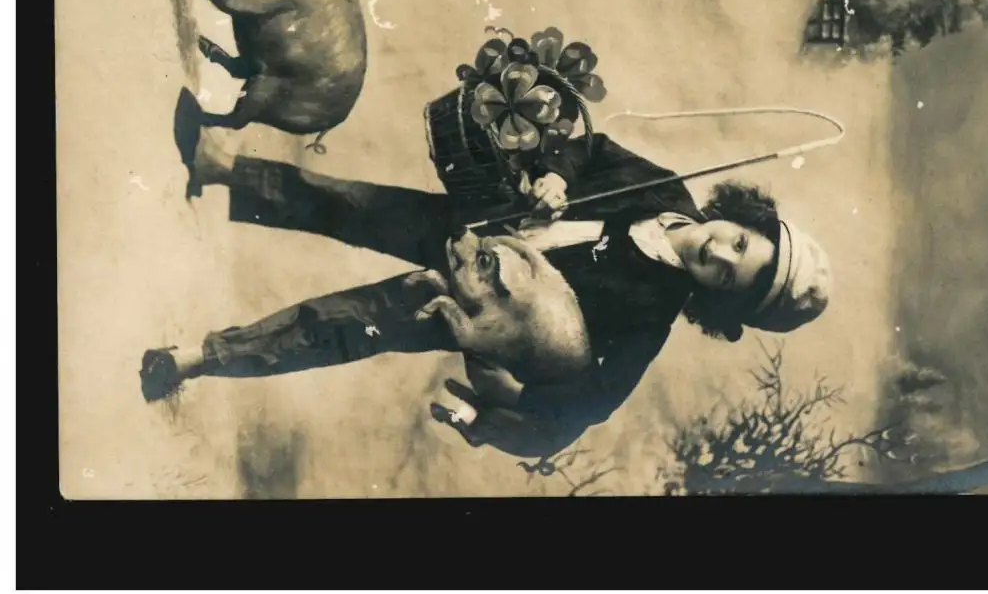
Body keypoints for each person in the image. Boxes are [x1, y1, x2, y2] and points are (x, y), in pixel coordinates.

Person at [141, 123, 833, 457]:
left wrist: (515, 399)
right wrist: (557, 174)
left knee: (344, 323)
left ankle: (197, 358)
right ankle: (220, 167)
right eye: (740, 242)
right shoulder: (665, 191)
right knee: (348, 201)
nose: (718, 252)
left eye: (727, 275)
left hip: (474, 300)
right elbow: (592, 149)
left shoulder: (650, 313)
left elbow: (590, 403)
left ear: (718, 300)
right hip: (472, 224)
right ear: (742, 219)